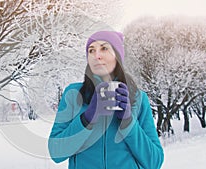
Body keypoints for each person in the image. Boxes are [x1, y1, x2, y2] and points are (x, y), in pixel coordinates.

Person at [48, 31, 164, 169]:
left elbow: (154, 162)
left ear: (118, 56)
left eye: (104, 48)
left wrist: (128, 122)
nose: (97, 56)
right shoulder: (73, 95)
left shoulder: (138, 98)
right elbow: (56, 152)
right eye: (91, 50)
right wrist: (87, 119)